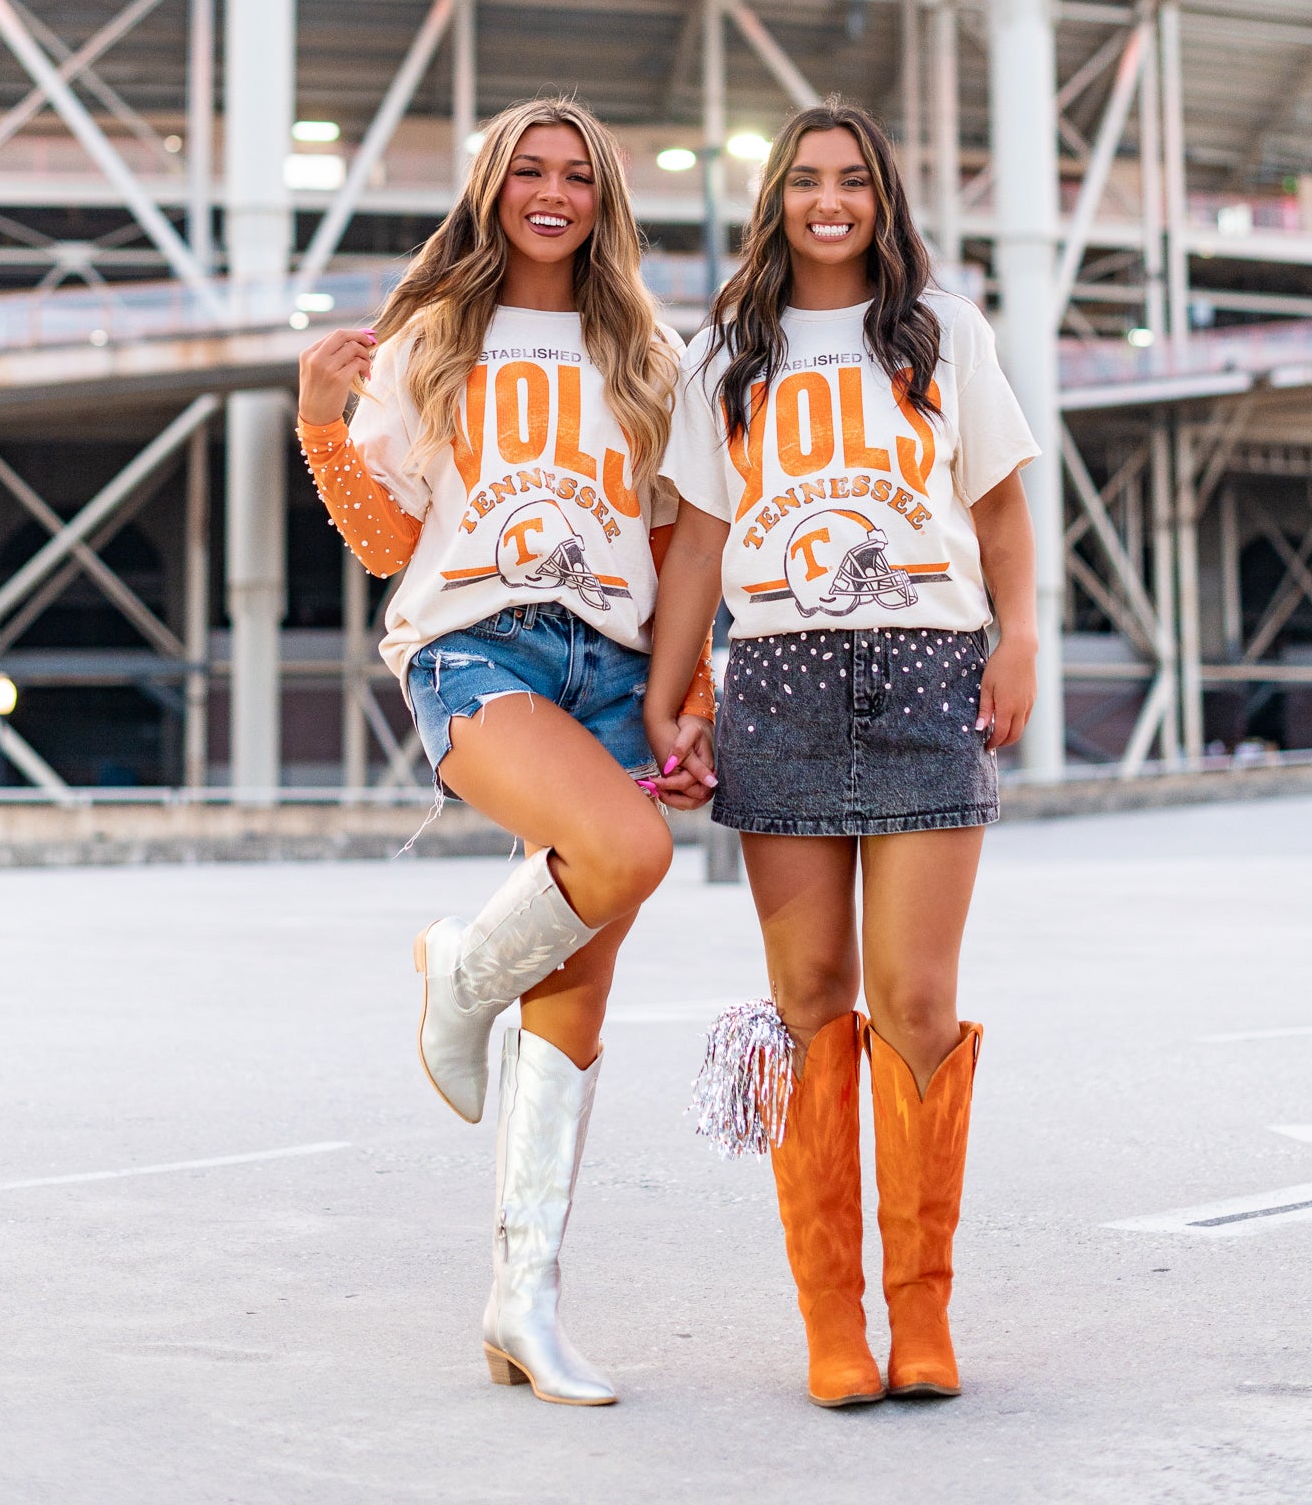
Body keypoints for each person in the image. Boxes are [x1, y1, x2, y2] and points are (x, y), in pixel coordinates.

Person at [297, 97, 715, 1408]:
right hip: (475, 645)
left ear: (604, 199)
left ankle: (521, 1305)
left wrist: (684, 694)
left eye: (576, 174)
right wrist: (318, 420)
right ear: (491, 188)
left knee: (578, 1004)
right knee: (626, 849)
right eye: (528, 171)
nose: (552, 192)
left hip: (614, 660)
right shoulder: (435, 337)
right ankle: (463, 976)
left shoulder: (649, 347)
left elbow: (673, 543)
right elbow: (382, 538)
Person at [645, 99, 1039, 1408]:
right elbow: (698, 541)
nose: (830, 201)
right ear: (777, 201)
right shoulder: (729, 356)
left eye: (853, 180)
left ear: (883, 197)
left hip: (931, 671)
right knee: (809, 993)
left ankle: (922, 1317)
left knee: (917, 1000)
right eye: (806, 180)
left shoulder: (942, 334)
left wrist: (1021, 637)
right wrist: (675, 693)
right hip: (779, 685)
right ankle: (832, 1322)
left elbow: (998, 502)